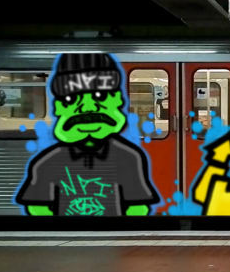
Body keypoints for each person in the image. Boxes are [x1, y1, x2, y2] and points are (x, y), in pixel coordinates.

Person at [15, 53, 159, 216]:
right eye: (71, 99)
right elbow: (37, 207)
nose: (88, 107)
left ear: (118, 99)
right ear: (59, 106)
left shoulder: (129, 158)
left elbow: (138, 207)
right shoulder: (46, 163)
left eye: (100, 96)